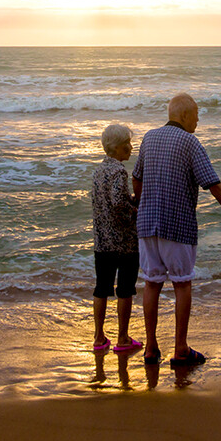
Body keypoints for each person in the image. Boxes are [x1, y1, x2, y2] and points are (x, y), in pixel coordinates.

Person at [132, 93, 221, 367]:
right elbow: (210, 181)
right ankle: (180, 348)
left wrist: (141, 205)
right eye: (197, 115)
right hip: (177, 224)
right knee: (182, 283)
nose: (198, 121)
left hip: (147, 224)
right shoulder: (190, 142)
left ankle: (151, 348)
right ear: (184, 115)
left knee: (151, 283)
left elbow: (137, 176)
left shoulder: (149, 138)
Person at [90, 123, 142, 354]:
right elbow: (118, 203)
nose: (130, 148)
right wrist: (135, 212)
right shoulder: (119, 172)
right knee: (125, 289)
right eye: (126, 145)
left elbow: (103, 203)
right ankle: (122, 338)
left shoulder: (98, 171)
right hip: (124, 242)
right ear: (116, 148)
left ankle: (99, 337)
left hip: (101, 241)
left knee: (101, 288)